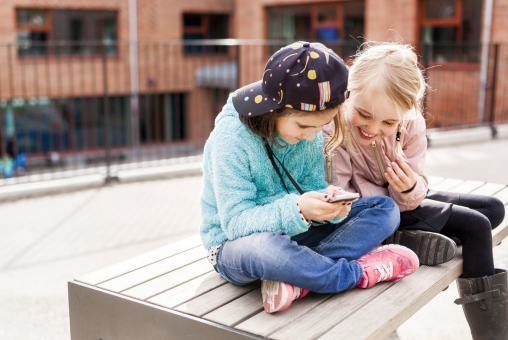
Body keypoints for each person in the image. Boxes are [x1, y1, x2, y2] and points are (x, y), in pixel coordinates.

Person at [199, 41, 420, 315]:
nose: (311, 137)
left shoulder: (311, 134)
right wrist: (299, 209)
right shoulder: (232, 138)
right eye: (303, 126)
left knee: (385, 209)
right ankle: (354, 273)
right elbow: (235, 223)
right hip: (237, 246)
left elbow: (311, 191)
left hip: (297, 234)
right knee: (268, 249)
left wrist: (331, 207)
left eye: (320, 127)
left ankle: (299, 279)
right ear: (273, 109)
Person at [323, 41, 506, 338]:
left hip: (404, 202)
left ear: (406, 113)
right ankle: (493, 335)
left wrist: (408, 187)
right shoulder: (337, 129)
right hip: (371, 213)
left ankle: (408, 238)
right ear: (349, 92)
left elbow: (419, 185)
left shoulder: (411, 126)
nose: (373, 127)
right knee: (476, 225)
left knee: (494, 208)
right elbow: (343, 199)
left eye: (388, 121)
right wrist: (397, 200)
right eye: (365, 114)